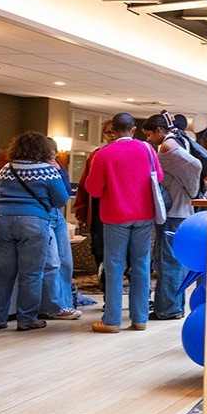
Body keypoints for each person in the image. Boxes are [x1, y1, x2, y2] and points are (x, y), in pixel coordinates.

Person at [85, 113, 164, 333]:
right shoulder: (147, 149)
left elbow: (93, 189)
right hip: (144, 215)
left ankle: (112, 320)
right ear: (133, 129)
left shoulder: (104, 154)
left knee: (114, 266)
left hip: (115, 216)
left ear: (113, 129)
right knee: (141, 265)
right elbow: (158, 177)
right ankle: (140, 319)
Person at [0, 132, 71, 332]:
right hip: (34, 222)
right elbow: (61, 200)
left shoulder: (6, 168)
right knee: (32, 273)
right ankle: (26, 319)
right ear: (43, 149)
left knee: (1, 272)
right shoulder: (47, 171)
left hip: (0, 220)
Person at [143, 114, 202, 320]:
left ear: (159, 130)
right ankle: (172, 307)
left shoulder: (167, 146)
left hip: (173, 212)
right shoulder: (177, 141)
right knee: (173, 261)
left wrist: (192, 189)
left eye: (149, 134)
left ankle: (168, 308)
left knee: (168, 261)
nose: (149, 139)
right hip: (180, 210)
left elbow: (195, 165)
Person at [37, 137, 83, 321]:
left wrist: (58, 172)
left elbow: (65, 194)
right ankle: (51, 306)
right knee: (51, 262)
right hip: (43, 215)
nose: (53, 157)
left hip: (58, 216)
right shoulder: (34, 169)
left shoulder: (60, 169)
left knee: (65, 261)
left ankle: (65, 303)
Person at [73, 120, 118, 289]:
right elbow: (84, 186)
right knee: (101, 253)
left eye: (114, 131)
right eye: (108, 132)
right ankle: (106, 289)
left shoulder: (131, 152)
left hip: (122, 214)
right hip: (99, 213)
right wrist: (81, 213)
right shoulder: (96, 155)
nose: (111, 135)